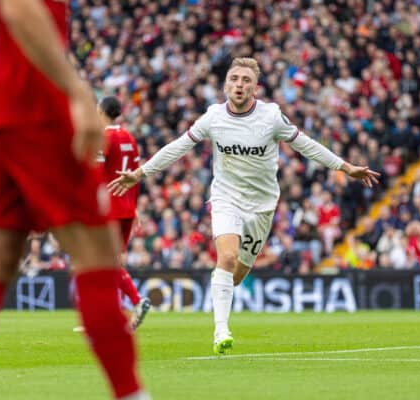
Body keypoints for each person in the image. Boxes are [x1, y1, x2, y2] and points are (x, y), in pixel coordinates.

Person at [0, 1, 147, 400]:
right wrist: (77, 92)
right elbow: (19, 7)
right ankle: (131, 392)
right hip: (32, 105)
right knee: (98, 256)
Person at [109, 57, 380, 355]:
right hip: (226, 198)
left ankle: (222, 303)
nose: (239, 84)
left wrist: (346, 167)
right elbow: (178, 147)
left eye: (246, 80)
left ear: (255, 87)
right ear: (226, 84)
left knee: (236, 275)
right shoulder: (213, 117)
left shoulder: (271, 117)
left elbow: (307, 145)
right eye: (234, 79)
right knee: (225, 258)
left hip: (262, 205)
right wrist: (140, 173)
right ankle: (220, 331)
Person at [74, 96, 150, 333]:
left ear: (101, 111)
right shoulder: (129, 138)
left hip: (108, 208)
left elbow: (95, 176)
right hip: (126, 208)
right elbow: (136, 176)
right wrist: (134, 207)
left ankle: (137, 301)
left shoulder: (102, 137)